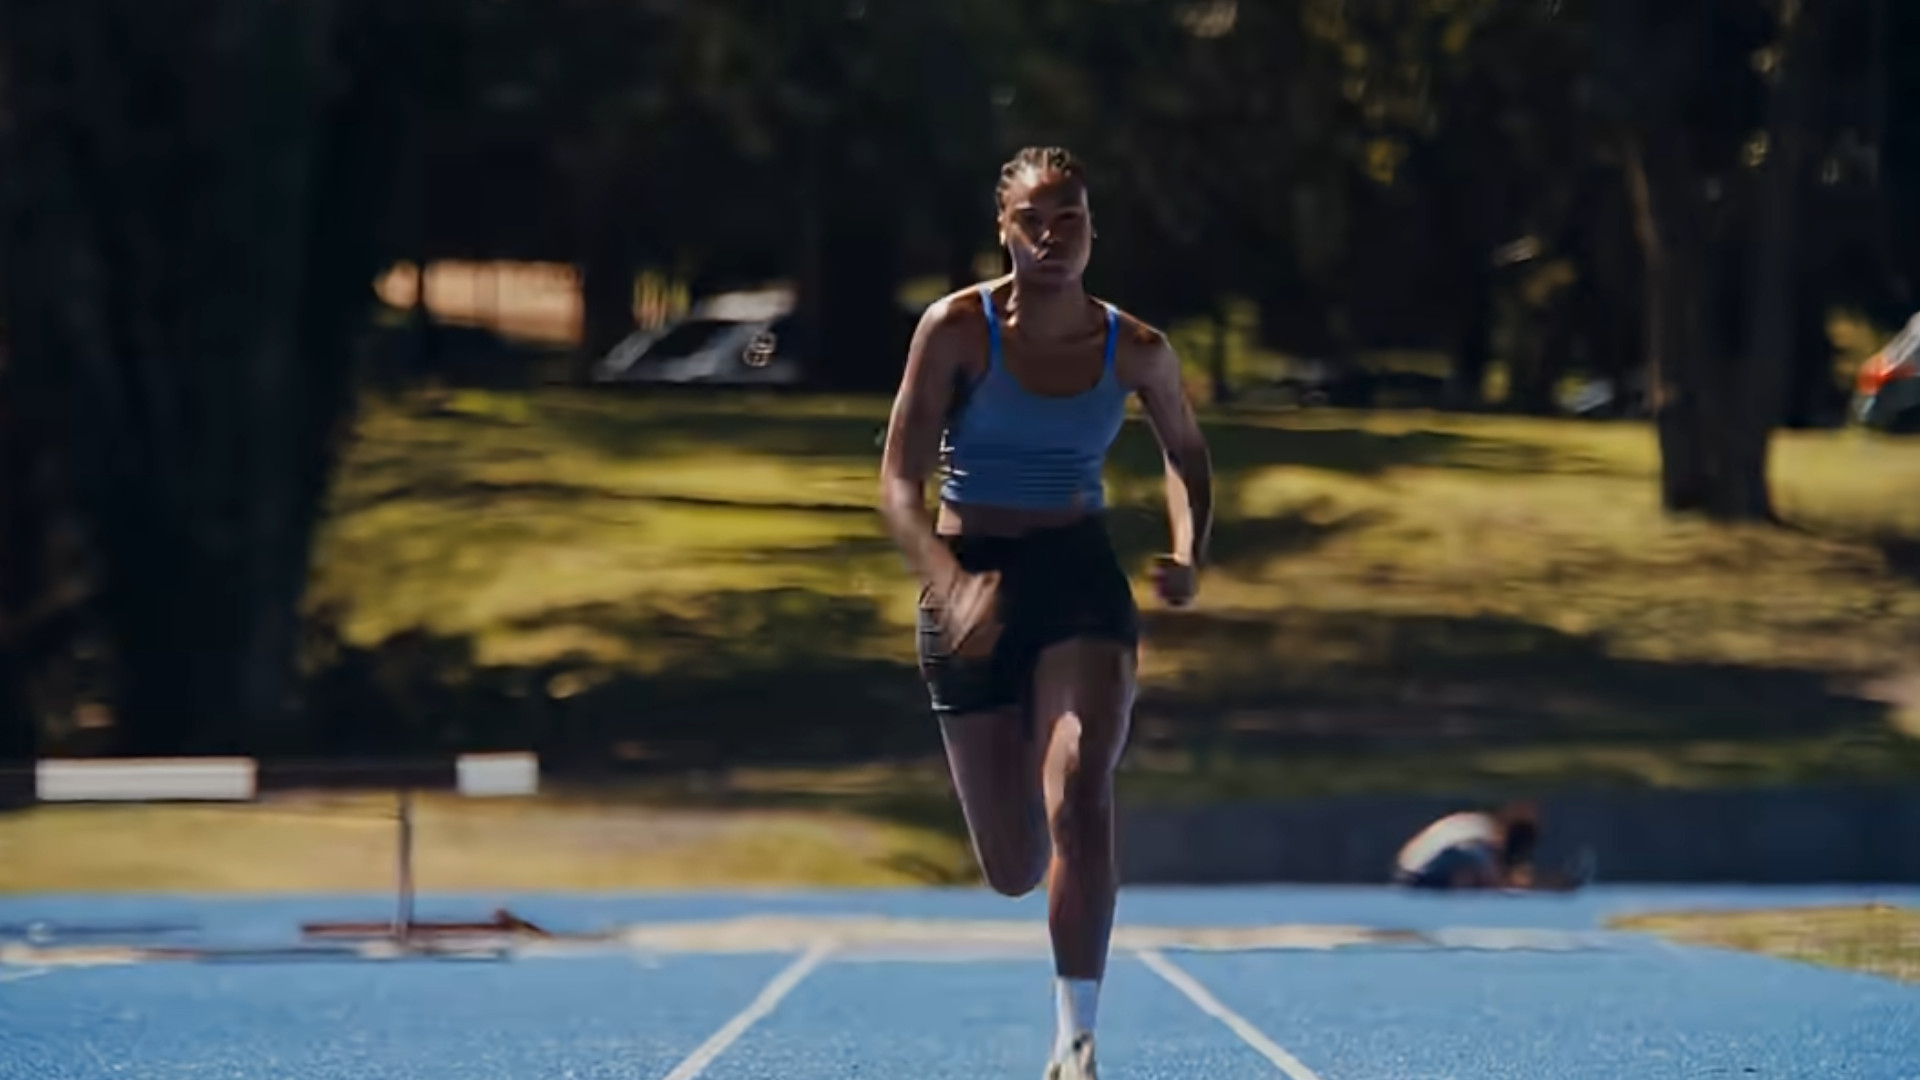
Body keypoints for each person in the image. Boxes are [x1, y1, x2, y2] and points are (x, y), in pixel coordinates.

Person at [877, 146, 1213, 1080]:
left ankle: (1075, 1043)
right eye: (1035, 218)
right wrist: (947, 581)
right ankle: (1040, 870)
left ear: (1094, 230)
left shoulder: (1136, 347)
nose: (1054, 235)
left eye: (1072, 218)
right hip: (970, 569)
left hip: (1077, 576)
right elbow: (899, 484)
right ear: (1004, 228)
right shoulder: (956, 329)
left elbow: (1185, 453)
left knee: (1083, 780)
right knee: (1014, 866)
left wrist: (1187, 550)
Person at [1391, 802, 1590, 892]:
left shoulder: (1475, 825)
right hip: (1418, 876)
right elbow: (1497, 879)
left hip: (1408, 871)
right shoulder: (1480, 835)